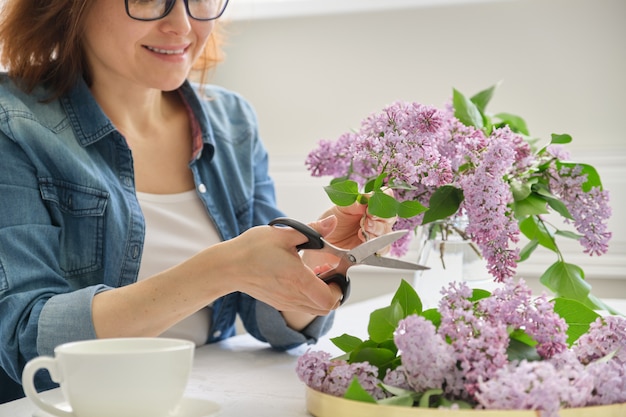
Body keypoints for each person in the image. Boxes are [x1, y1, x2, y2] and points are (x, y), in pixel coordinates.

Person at [0, 0, 395, 400]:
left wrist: (318, 264)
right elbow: (25, 341)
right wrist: (218, 271)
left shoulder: (233, 122)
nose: (182, 26)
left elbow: (270, 322)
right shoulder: (13, 125)